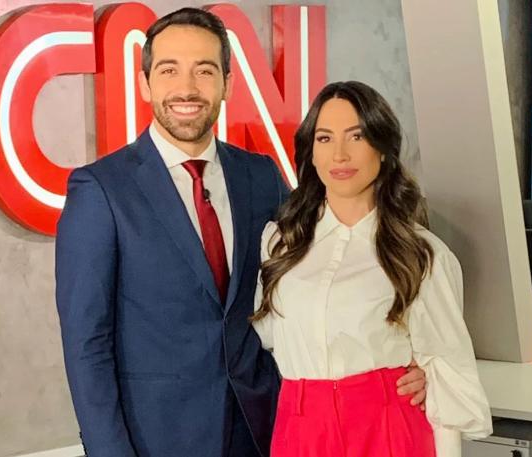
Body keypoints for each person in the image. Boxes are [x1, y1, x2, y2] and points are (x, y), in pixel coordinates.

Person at [56, 8, 427, 457]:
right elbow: (86, 344)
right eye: (169, 70)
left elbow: (331, 269)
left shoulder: (260, 175)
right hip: (158, 439)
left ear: (228, 83)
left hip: (264, 430)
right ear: (145, 83)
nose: (187, 88)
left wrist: (414, 361)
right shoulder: (101, 190)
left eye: (204, 70)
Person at [252, 81, 492, 457]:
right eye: (325, 138)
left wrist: (428, 376)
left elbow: (447, 373)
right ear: (311, 152)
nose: (340, 154)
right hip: (300, 429)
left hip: (387, 428)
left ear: (381, 148)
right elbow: (269, 336)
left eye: (357, 136)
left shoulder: (420, 253)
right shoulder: (279, 243)